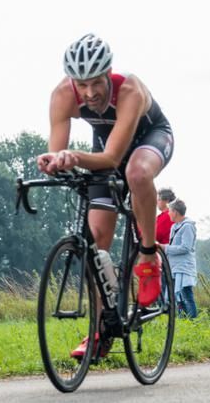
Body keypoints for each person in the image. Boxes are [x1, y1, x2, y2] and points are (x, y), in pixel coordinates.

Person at [36, 33, 174, 358]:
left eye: (96, 82)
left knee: (136, 173)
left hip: (149, 140)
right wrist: (53, 161)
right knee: (95, 242)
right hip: (105, 149)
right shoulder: (61, 95)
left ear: (108, 72)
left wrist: (74, 156)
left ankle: (148, 255)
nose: (89, 92)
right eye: (81, 84)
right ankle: (101, 329)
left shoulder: (129, 90)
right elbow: (58, 150)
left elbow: (113, 159)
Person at [159, 199, 198, 319]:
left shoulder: (187, 227)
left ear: (175, 212)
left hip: (184, 267)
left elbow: (186, 248)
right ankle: (184, 321)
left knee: (186, 295)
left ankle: (193, 323)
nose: (169, 214)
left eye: (170, 211)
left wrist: (165, 248)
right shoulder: (174, 227)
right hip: (174, 267)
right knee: (178, 297)